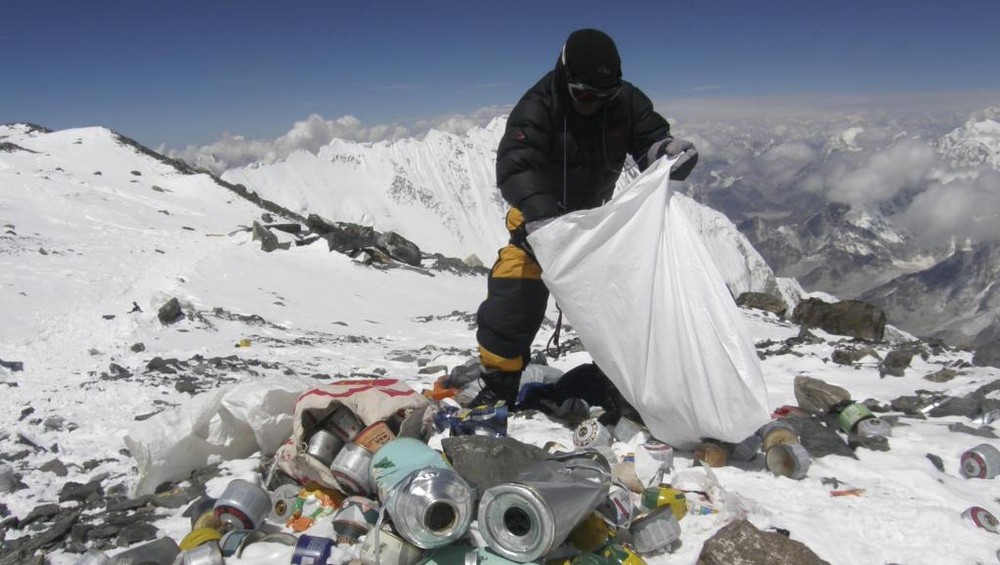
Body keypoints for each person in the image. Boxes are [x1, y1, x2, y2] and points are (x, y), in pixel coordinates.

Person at [470, 28, 699, 408]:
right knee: (512, 302)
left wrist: (666, 152)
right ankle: (499, 384)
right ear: (564, 77)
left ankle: (623, 385)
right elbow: (515, 166)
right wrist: (543, 218)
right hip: (536, 228)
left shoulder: (625, 102)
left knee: (625, 306)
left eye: (603, 95)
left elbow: (649, 140)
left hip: (595, 228)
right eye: (584, 94)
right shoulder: (538, 106)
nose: (592, 102)